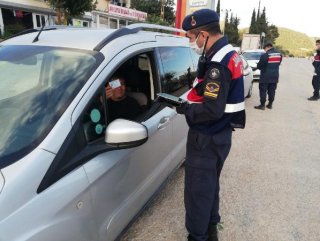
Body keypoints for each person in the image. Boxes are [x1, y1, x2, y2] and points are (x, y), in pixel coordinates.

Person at [177, 9, 246, 241]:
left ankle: (198, 236)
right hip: (220, 135)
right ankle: (210, 226)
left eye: (190, 36)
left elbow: (211, 110)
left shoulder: (218, 64)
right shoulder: (227, 53)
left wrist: (184, 107)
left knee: (197, 191)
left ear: (203, 34)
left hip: (207, 137)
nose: (190, 41)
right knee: (209, 185)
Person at [254, 43, 282, 110]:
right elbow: (278, 64)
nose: (265, 50)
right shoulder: (279, 55)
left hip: (265, 76)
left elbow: (260, 66)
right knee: (272, 90)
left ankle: (262, 105)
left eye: (265, 49)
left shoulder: (265, 55)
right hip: (275, 76)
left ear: (267, 47)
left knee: (263, 90)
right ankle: (270, 104)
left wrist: (258, 66)